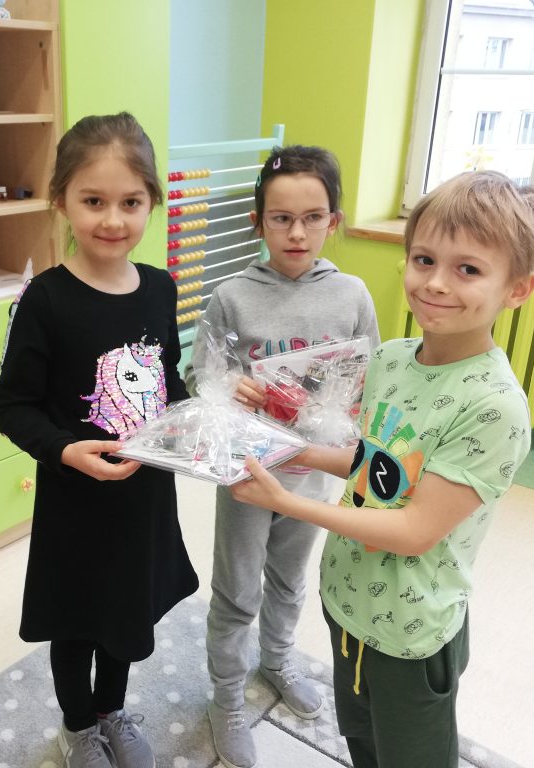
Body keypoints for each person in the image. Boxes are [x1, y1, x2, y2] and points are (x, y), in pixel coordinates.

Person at [231, 170, 534, 768]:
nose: (436, 283)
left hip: (410, 631)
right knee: (362, 743)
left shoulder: (493, 406)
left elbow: (414, 529)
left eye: (468, 269)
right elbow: (380, 465)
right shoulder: (393, 360)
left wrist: (287, 501)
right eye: (424, 259)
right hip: (347, 599)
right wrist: (299, 453)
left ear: (518, 289)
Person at [0, 112, 199, 768]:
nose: (113, 219)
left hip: (144, 498)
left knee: (124, 617)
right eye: (94, 201)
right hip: (76, 503)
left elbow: (167, 379)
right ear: (62, 202)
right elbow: (12, 406)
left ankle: (111, 710)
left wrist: (201, 420)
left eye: (131, 202)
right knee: (77, 622)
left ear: (152, 202)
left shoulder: (161, 287)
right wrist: (63, 450)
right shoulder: (46, 300)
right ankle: (78, 726)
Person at [187, 145, 380, 768]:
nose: (297, 233)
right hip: (248, 471)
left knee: (291, 581)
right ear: (258, 221)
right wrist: (231, 387)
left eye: (312, 217)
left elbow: (369, 380)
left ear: (334, 221)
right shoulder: (231, 296)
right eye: (281, 218)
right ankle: (226, 699)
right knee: (237, 590)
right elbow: (201, 380)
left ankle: (276, 661)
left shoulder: (352, 296)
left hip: (313, 472)